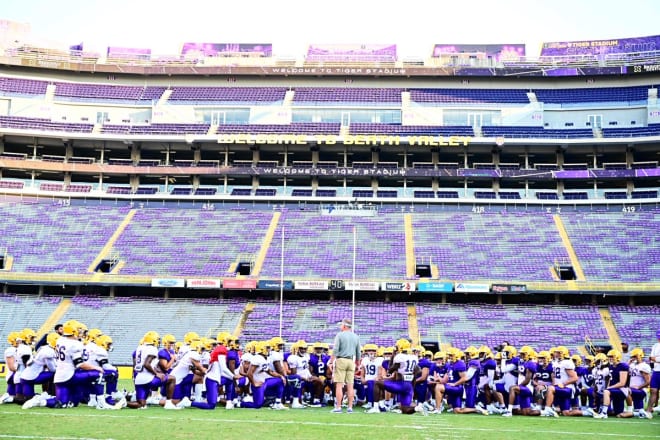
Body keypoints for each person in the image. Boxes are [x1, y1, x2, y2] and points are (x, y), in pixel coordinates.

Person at [331, 318, 361, 413]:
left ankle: (338, 407)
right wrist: (358, 364)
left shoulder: (340, 335)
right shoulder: (356, 337)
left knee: (339, 385)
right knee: (350, 385)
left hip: (341, 360)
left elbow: (335, 350)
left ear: (344, 326)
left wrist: (332, 361)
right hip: (350, 361)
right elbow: (358, 353)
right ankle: (350, 407)